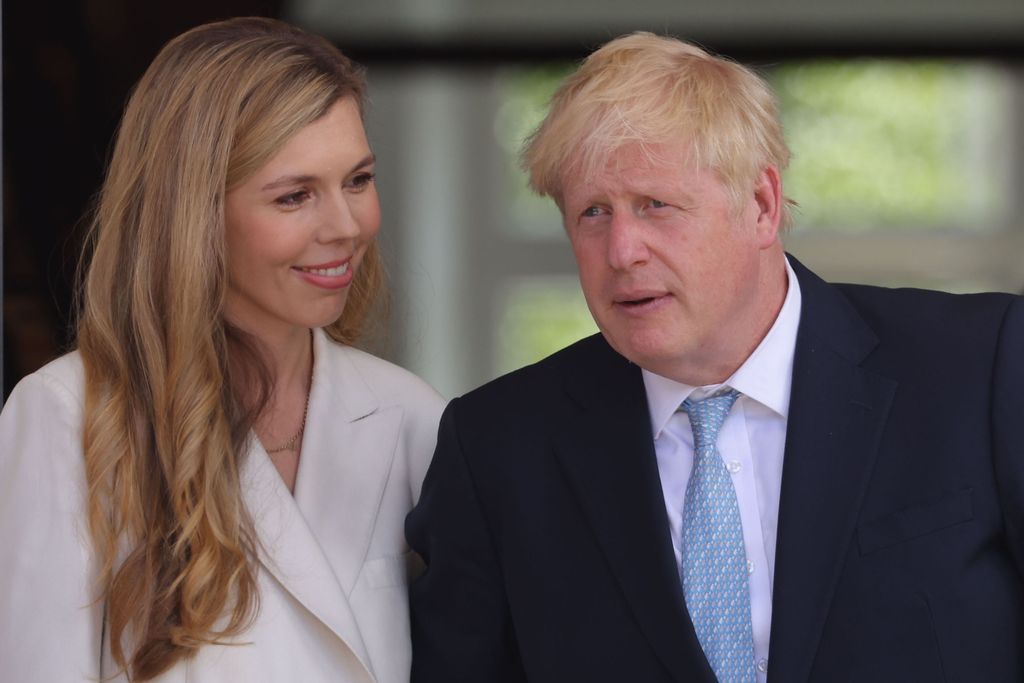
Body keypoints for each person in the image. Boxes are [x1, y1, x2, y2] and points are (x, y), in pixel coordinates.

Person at [406, 32, 1024, 682]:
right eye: (592, 213)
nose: (622, 250)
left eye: (655, 205)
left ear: (760, 205)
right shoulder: (499, 447)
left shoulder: (979, 369)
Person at [0, 17, 443, 683]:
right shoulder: (70, 415)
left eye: (358, 179)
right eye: (295, 196)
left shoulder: (408, 413)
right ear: (194, 212)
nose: (347, 226)